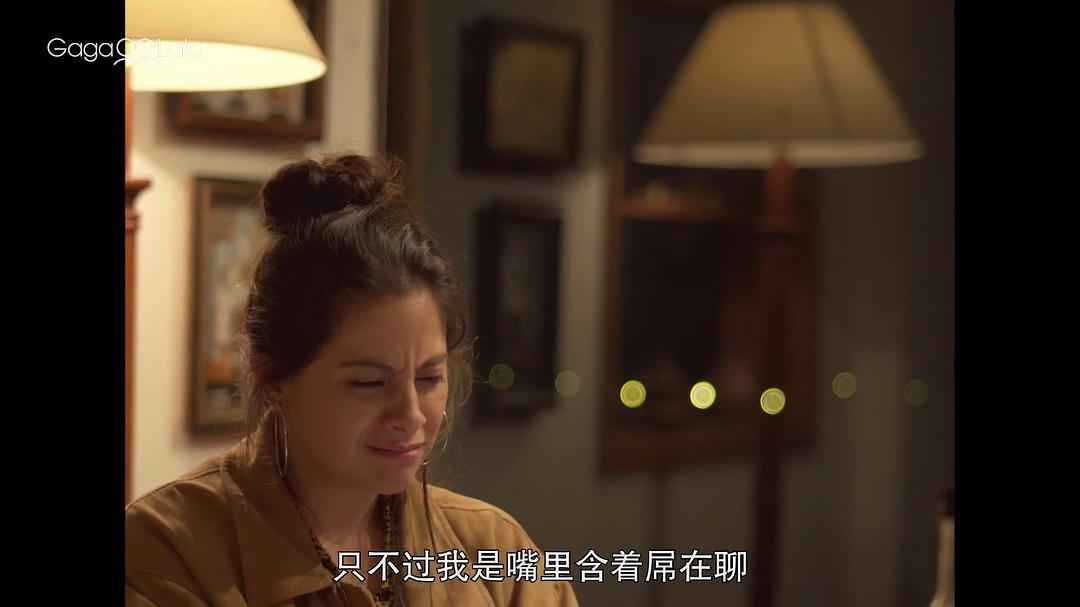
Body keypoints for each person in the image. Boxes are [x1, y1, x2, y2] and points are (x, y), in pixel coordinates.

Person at [125, 153, 580, 607]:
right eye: (369, 383)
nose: (410, 415)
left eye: (428, 378)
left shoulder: (493, 549)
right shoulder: (168, 550)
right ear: (273, 376)